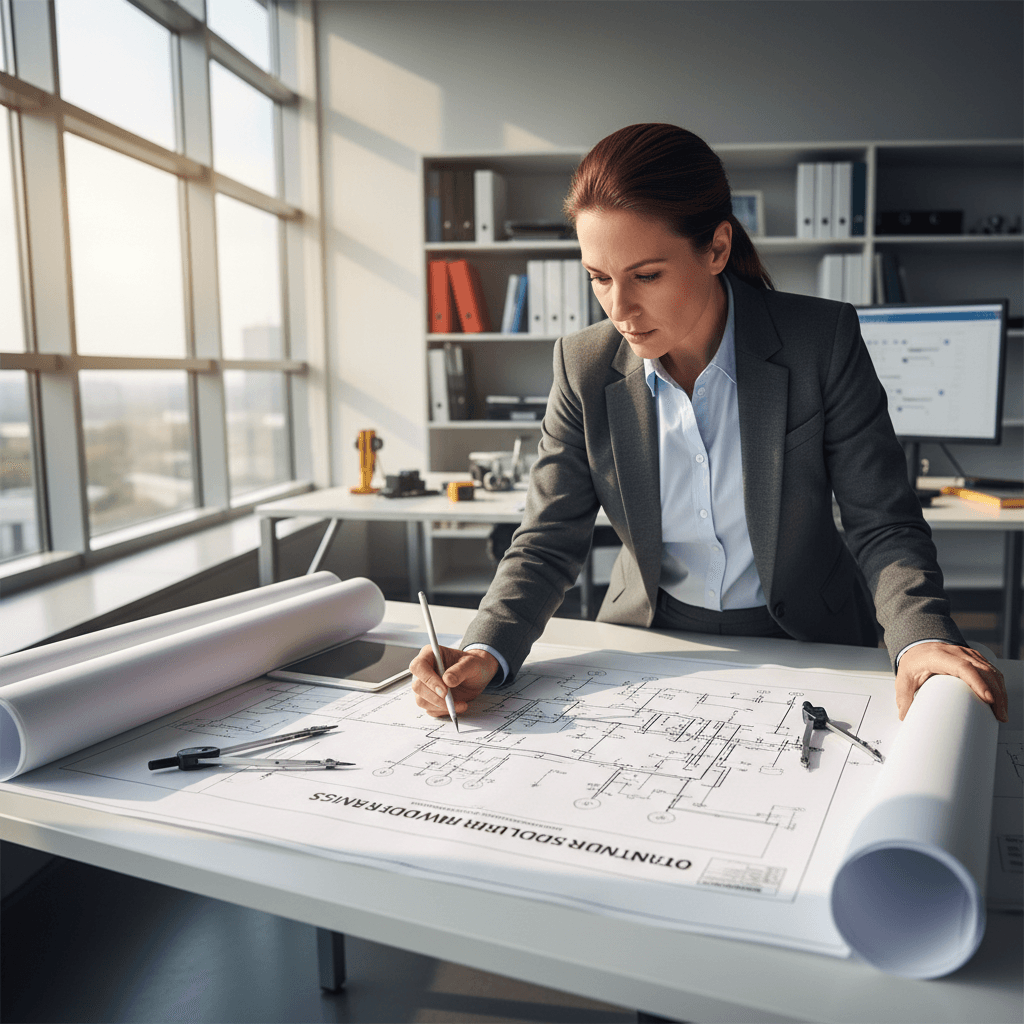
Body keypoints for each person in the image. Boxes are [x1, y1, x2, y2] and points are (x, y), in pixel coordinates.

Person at [410, 123, 1007, 725]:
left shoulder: (820, 342)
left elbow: (882, 522)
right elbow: (547, 539)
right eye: (598, 278)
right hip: (650, 640)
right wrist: (486, 648)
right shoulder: (583, 366)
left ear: (717, 249)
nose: (619, 310)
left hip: (809, 637)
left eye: (646, 276)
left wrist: (920, 636)